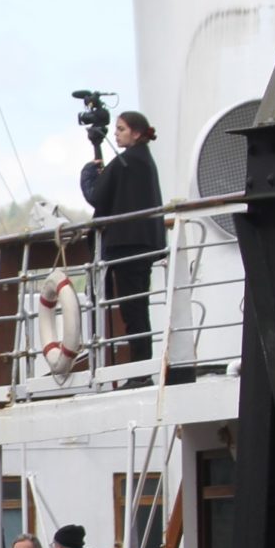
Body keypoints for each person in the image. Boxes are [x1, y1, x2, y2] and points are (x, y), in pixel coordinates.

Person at [79, 109, 165, 369]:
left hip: (126, 246)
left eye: (121, 129)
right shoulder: (144, 162)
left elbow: (97, 196)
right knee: (138, 308)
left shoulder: (127, 162)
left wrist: (88, 174)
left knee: (133, 311)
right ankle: (140, 367)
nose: (116, 134)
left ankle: (140, 369)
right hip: (143, 243)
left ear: (136, 133)